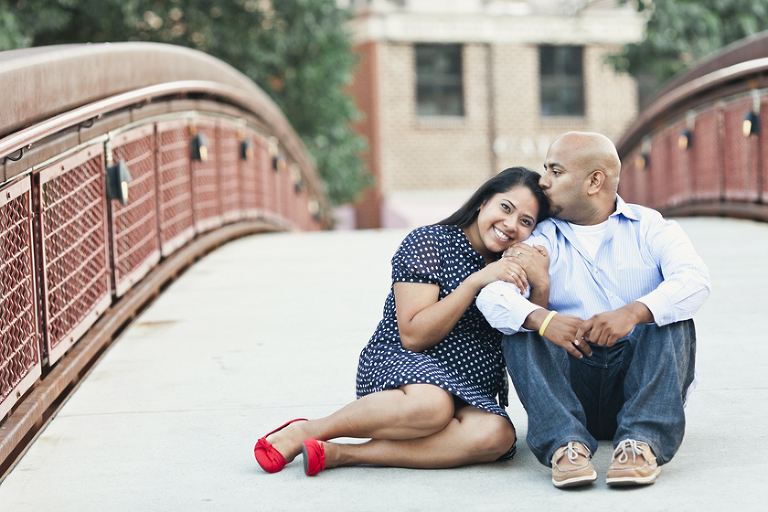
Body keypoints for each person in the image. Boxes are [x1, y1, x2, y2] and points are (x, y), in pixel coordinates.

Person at [254, 167, 550, 475]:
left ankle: (341, 454)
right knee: (432, 405)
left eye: (525, 221)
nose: (510, 224)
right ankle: (310, 430)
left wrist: (541, 284)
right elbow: (414, 335)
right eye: (505, 207)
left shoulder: (516, 264)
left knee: (497, 435)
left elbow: (527, 336)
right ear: (483, 201)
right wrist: (476, 282)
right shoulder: (429, 242)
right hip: (405, 364)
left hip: (471, 385)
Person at [477, 132, 711, 488]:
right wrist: (544, 319)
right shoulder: (539, 239)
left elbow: (696, 281)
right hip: (572, 384)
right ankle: (565, 445)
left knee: (672, 315)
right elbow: (492, 297)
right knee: (521, 325)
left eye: (555, 171)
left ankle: (641, 443)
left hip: (638, 383)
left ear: (594, 181)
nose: (543, 181)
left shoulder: (651, 228)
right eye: (545, 170)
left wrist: (633, 312)